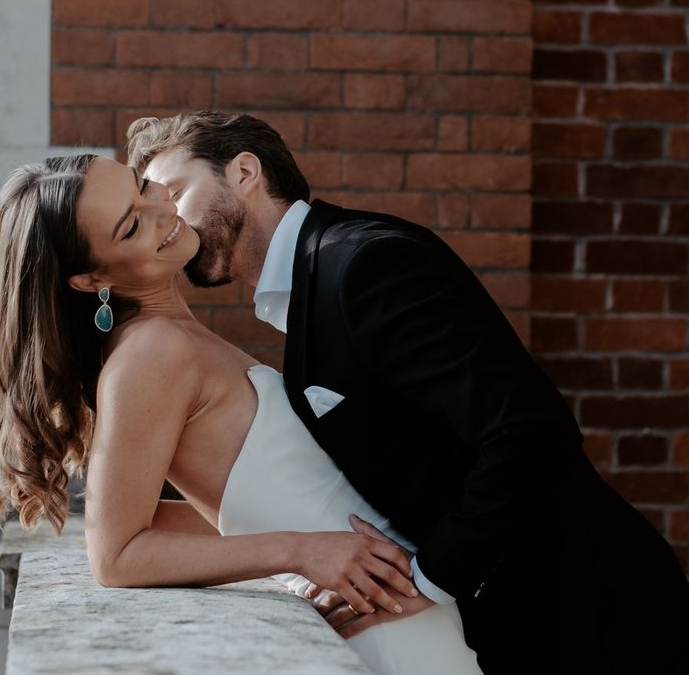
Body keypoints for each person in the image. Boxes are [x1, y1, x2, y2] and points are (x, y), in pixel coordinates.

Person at [128, 110, 689, 675]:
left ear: (245, 172)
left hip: (590, 614)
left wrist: (425, 579)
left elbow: (530, 431)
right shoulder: (316, 279)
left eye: (175, 192)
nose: (169, 221)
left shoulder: (365, 264)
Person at [0, 153, 483, 675]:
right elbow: (117, 554)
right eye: (131, 225)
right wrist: (302, 551)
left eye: (142, 185)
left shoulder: (169, 340)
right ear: (89, 279)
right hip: (375, 616)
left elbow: (214, 506)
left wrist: (314, 542)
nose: (161, 209)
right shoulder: (151, 352)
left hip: (384, 593)